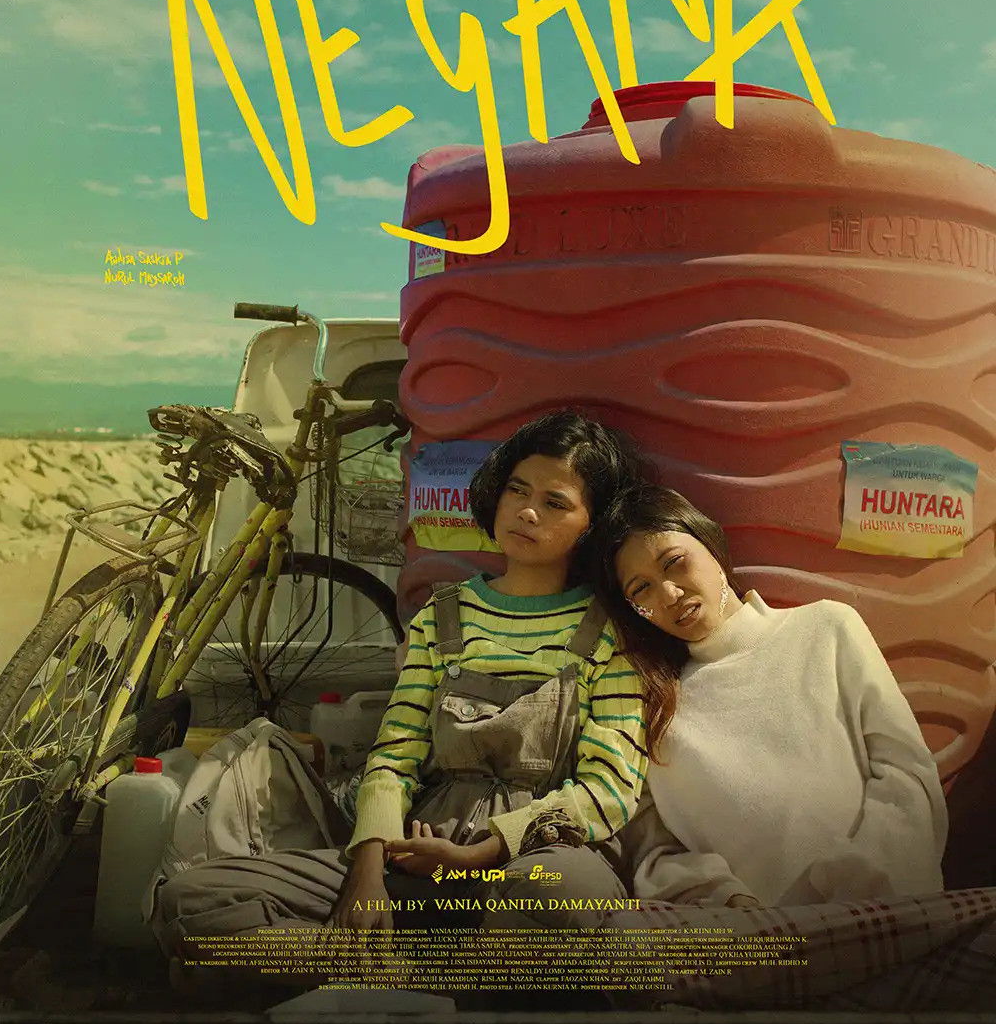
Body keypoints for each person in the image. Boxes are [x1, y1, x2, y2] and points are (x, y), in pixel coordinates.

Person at [153, 411, 649, 972]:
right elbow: (394, 755)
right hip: (414, 853)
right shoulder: (442, 614)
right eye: (517, 489)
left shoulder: (608, 632)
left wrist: (479, 854)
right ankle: (430, 975)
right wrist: (367, 875)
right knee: (191, 900)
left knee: (564, 898)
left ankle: (385, 977)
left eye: (555, 503)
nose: (527, 511)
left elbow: (611, 789)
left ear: (591, 525)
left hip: (536, 859)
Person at [591, 481, 947, 909]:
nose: (668, 594)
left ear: (712, 548)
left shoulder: (826, 629)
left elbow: (907, 773)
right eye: (641, 589)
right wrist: (730, 903)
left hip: (884, 913)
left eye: (674, 562)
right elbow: (653, 849)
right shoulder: (651, 704)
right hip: (757, 938)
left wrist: (859, 884)